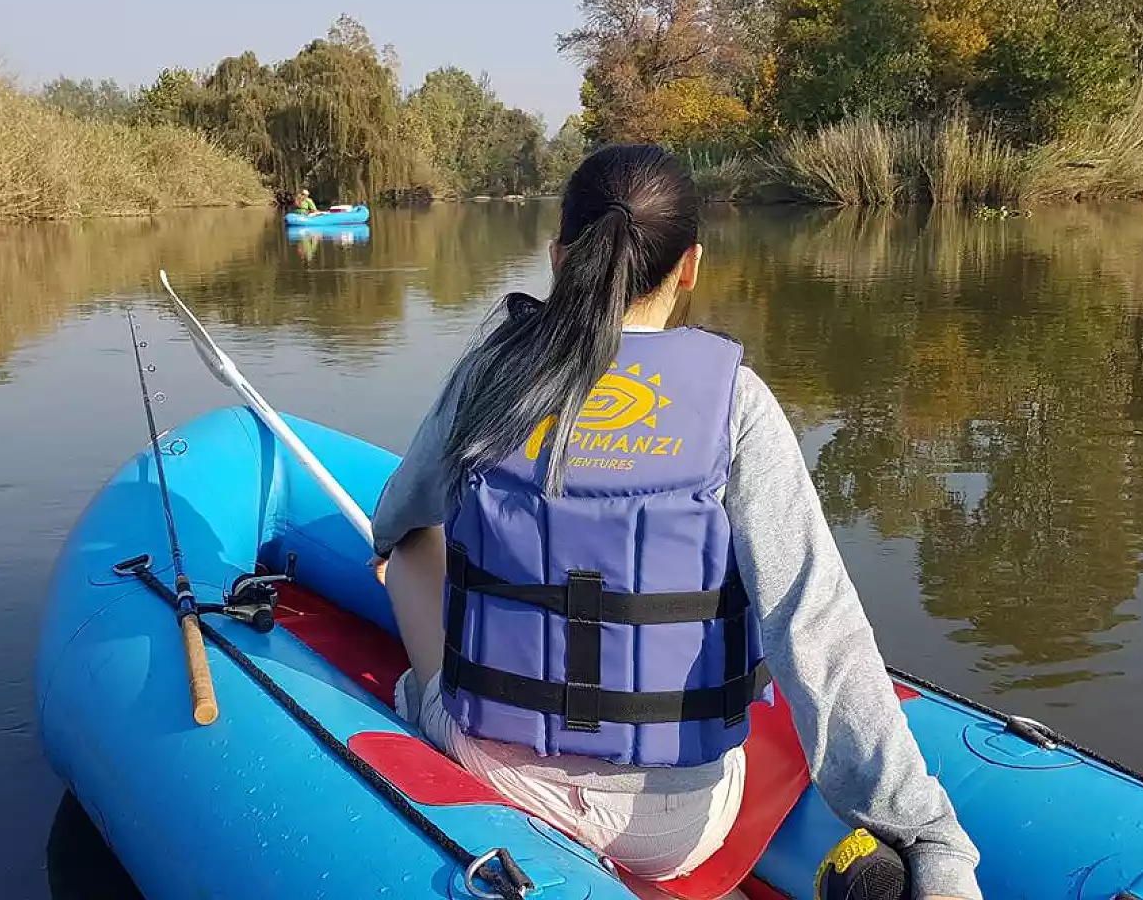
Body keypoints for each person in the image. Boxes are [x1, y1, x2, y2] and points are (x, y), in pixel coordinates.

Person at [369, 144, 981, 900]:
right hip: (673, 831)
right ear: (689, 265)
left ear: (560, 260)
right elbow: (815, 627)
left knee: (411, 548)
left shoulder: (489, 373)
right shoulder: (736, 403)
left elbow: (399, 514)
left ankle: (413, 707)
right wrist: (930, 839)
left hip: (496, 769)